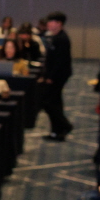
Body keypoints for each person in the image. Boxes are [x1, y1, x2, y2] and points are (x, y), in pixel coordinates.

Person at [34, 11, 72, 140]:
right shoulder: (55, 37)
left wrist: (50, 77)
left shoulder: (62, 39)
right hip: (54, 75)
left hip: (58, 76)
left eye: (51, 22)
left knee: (48, 103)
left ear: (59, 23)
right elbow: (50, 60)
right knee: (55, 103)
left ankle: (64, 125)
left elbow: (59, 62)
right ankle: (57, 131)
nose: (48, 24)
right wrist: (45, 75)